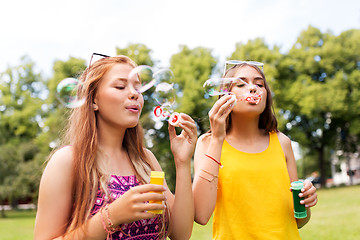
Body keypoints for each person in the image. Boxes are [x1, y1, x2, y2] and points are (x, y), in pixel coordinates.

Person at [34, 54, 197, 240]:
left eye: (138, 88)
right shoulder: (68, 161)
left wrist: (182, 162)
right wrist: (111, 216)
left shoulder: (145, 160)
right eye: (120, 86)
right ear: (93, 100)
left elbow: (181, 234)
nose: (134, 94)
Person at [193, 61, 318, 239]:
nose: (253, 88)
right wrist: (217, 138)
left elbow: (299, 220)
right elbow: (200, 214)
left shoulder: (282, 143)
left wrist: (305, 203)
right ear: (224, 95)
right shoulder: (208, 143)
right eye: (241, 83)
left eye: (259, 84)